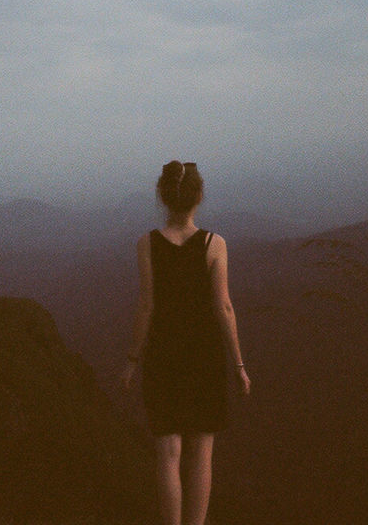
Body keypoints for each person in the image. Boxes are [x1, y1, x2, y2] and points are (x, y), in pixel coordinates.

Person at [122, 160, 251, 525]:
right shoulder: (215, 244)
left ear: (163, 197)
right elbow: (223, 307)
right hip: (204, 356)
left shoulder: (146, 244)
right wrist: (239, 364)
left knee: (168, 453)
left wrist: (132, 360)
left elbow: (147, 306)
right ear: (198, 196)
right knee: (202, 454)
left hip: (163, 354)